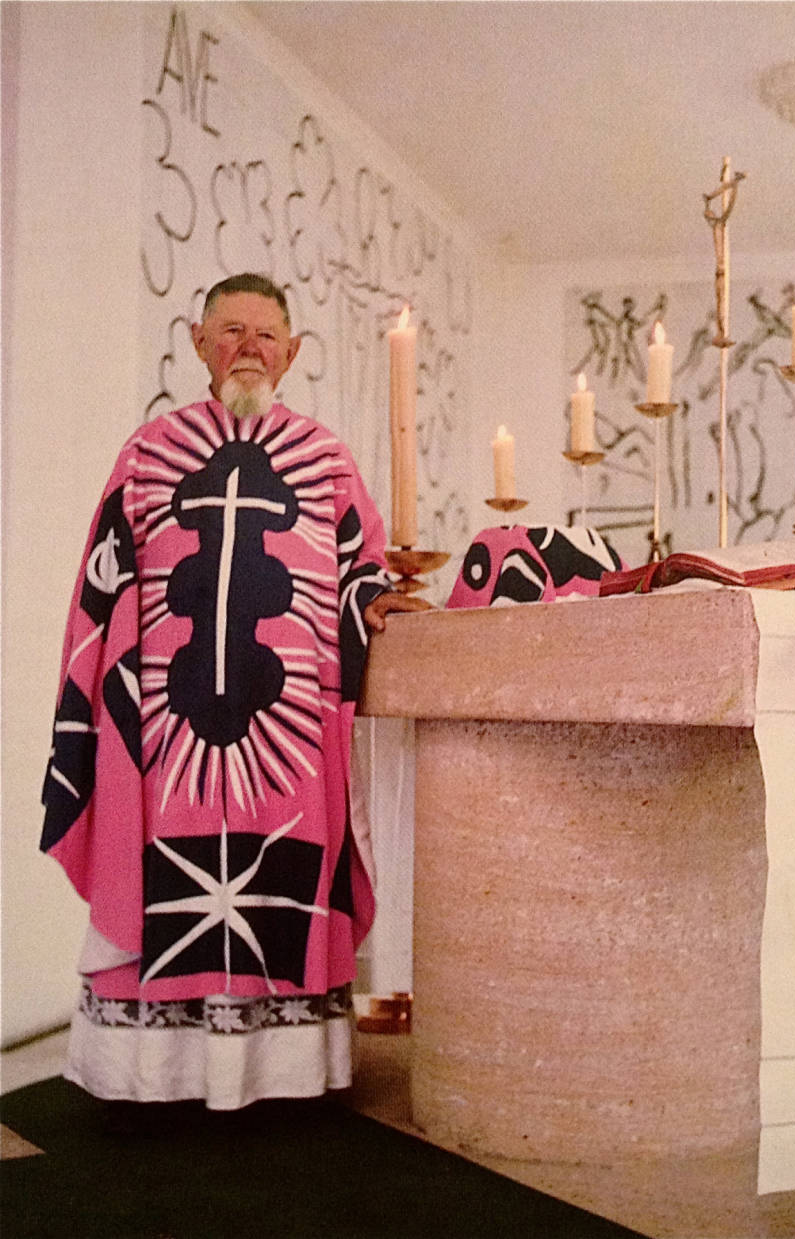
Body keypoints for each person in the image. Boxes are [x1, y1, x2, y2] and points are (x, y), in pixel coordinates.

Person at [40, 272, 428, 1116]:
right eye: (230, 331)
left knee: (281, 880)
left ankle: (280, 1075)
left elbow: (360, 567)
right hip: (164, 733)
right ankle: (156, 1074)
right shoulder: (145, 453)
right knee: (163, 881)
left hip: (290, 731)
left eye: (265, 335)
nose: (248, 347)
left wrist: (373, 599)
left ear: (291, 355)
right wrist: (101, 715)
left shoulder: (326, 458)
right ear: (196, 343)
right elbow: (99, 587)